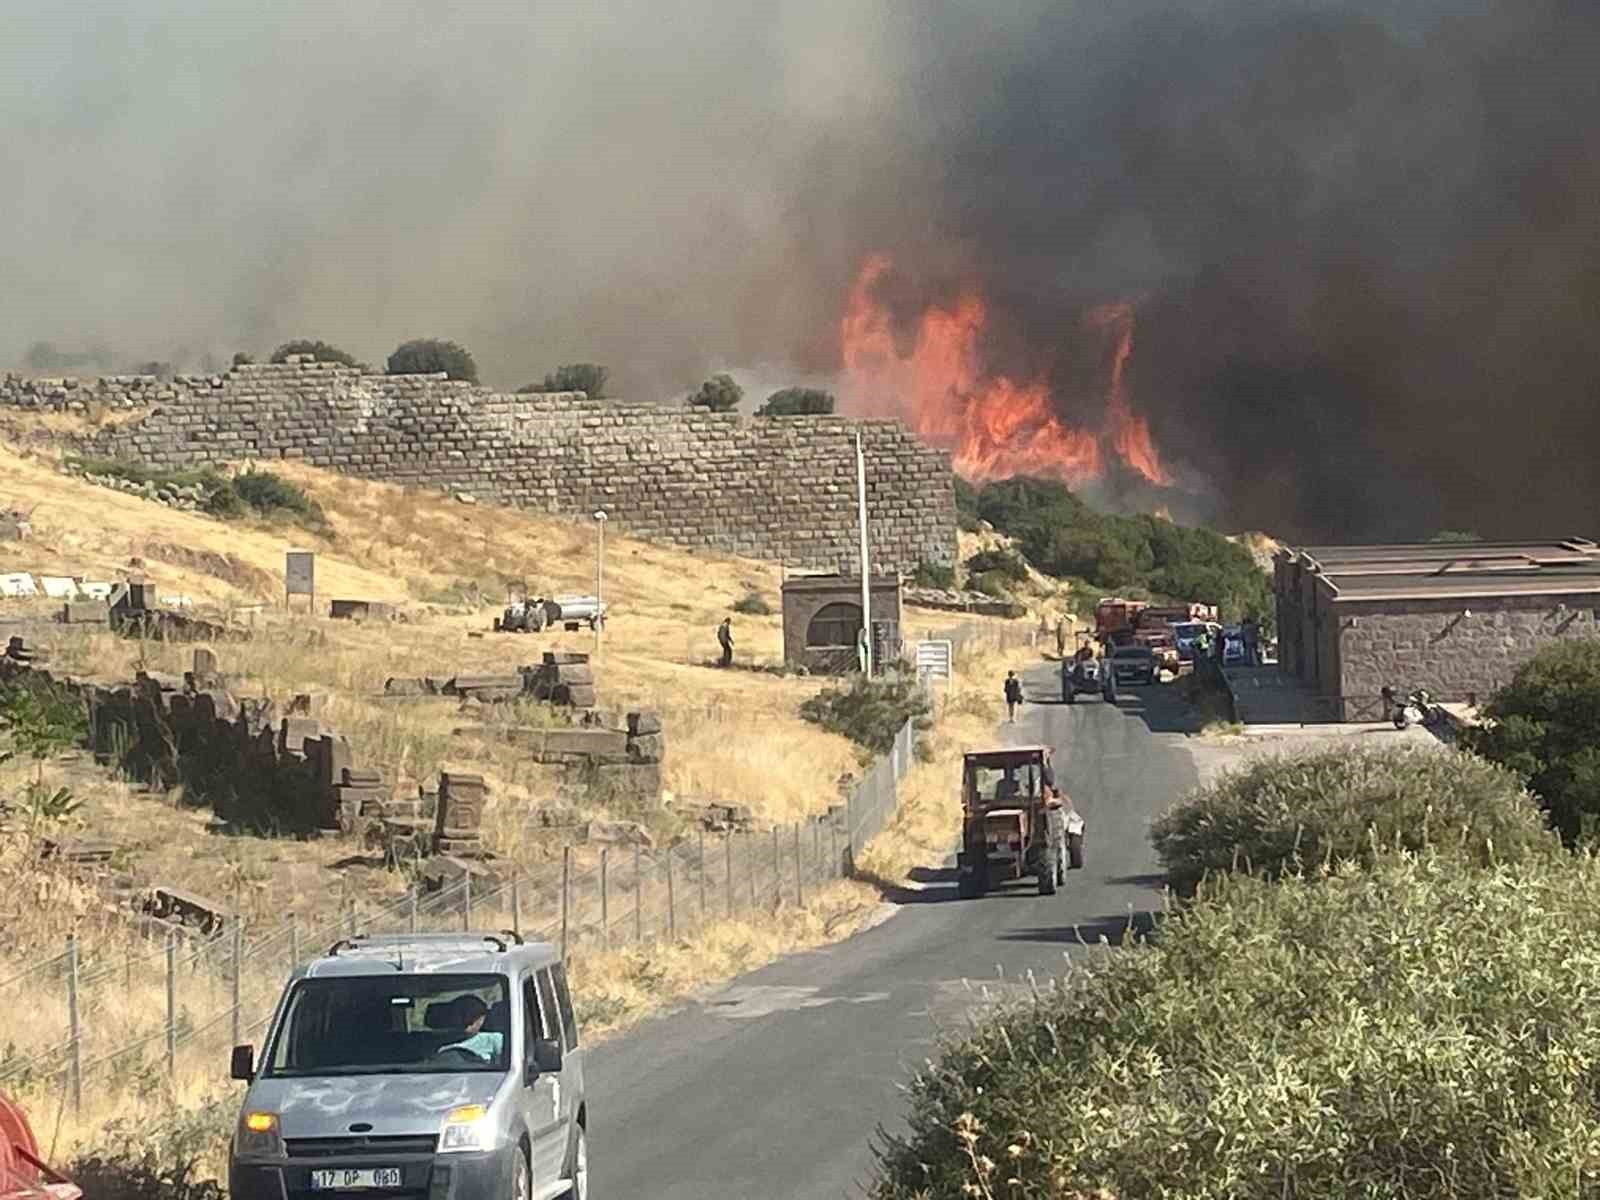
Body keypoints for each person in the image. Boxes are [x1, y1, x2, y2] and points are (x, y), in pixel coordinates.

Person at [437, 994, 503, 1063]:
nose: (468, 1024)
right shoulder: (444, 1047)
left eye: (473, 1018)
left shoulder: (494, 1039)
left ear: (482, 1018)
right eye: (462, 1018)